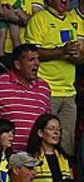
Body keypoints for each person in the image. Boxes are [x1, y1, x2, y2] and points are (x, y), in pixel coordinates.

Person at [24, 0, 78, 156]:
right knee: (43, 138)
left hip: (69, 91)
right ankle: (42, 175)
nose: (65, 1)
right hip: (46, 90)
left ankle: (65, 177)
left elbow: (78, 56)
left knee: (66, 140)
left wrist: (77, 56)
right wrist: (61, 51)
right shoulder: (39, 19)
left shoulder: (71, 20)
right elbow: (31, 53)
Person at [0, 44, 51, 152]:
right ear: (18, 64)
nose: (37, 63)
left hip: (34, 157)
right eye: (31, 60)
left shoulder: (44, 88)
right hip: (5, 157)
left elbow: (46, 122)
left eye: (38, 59)